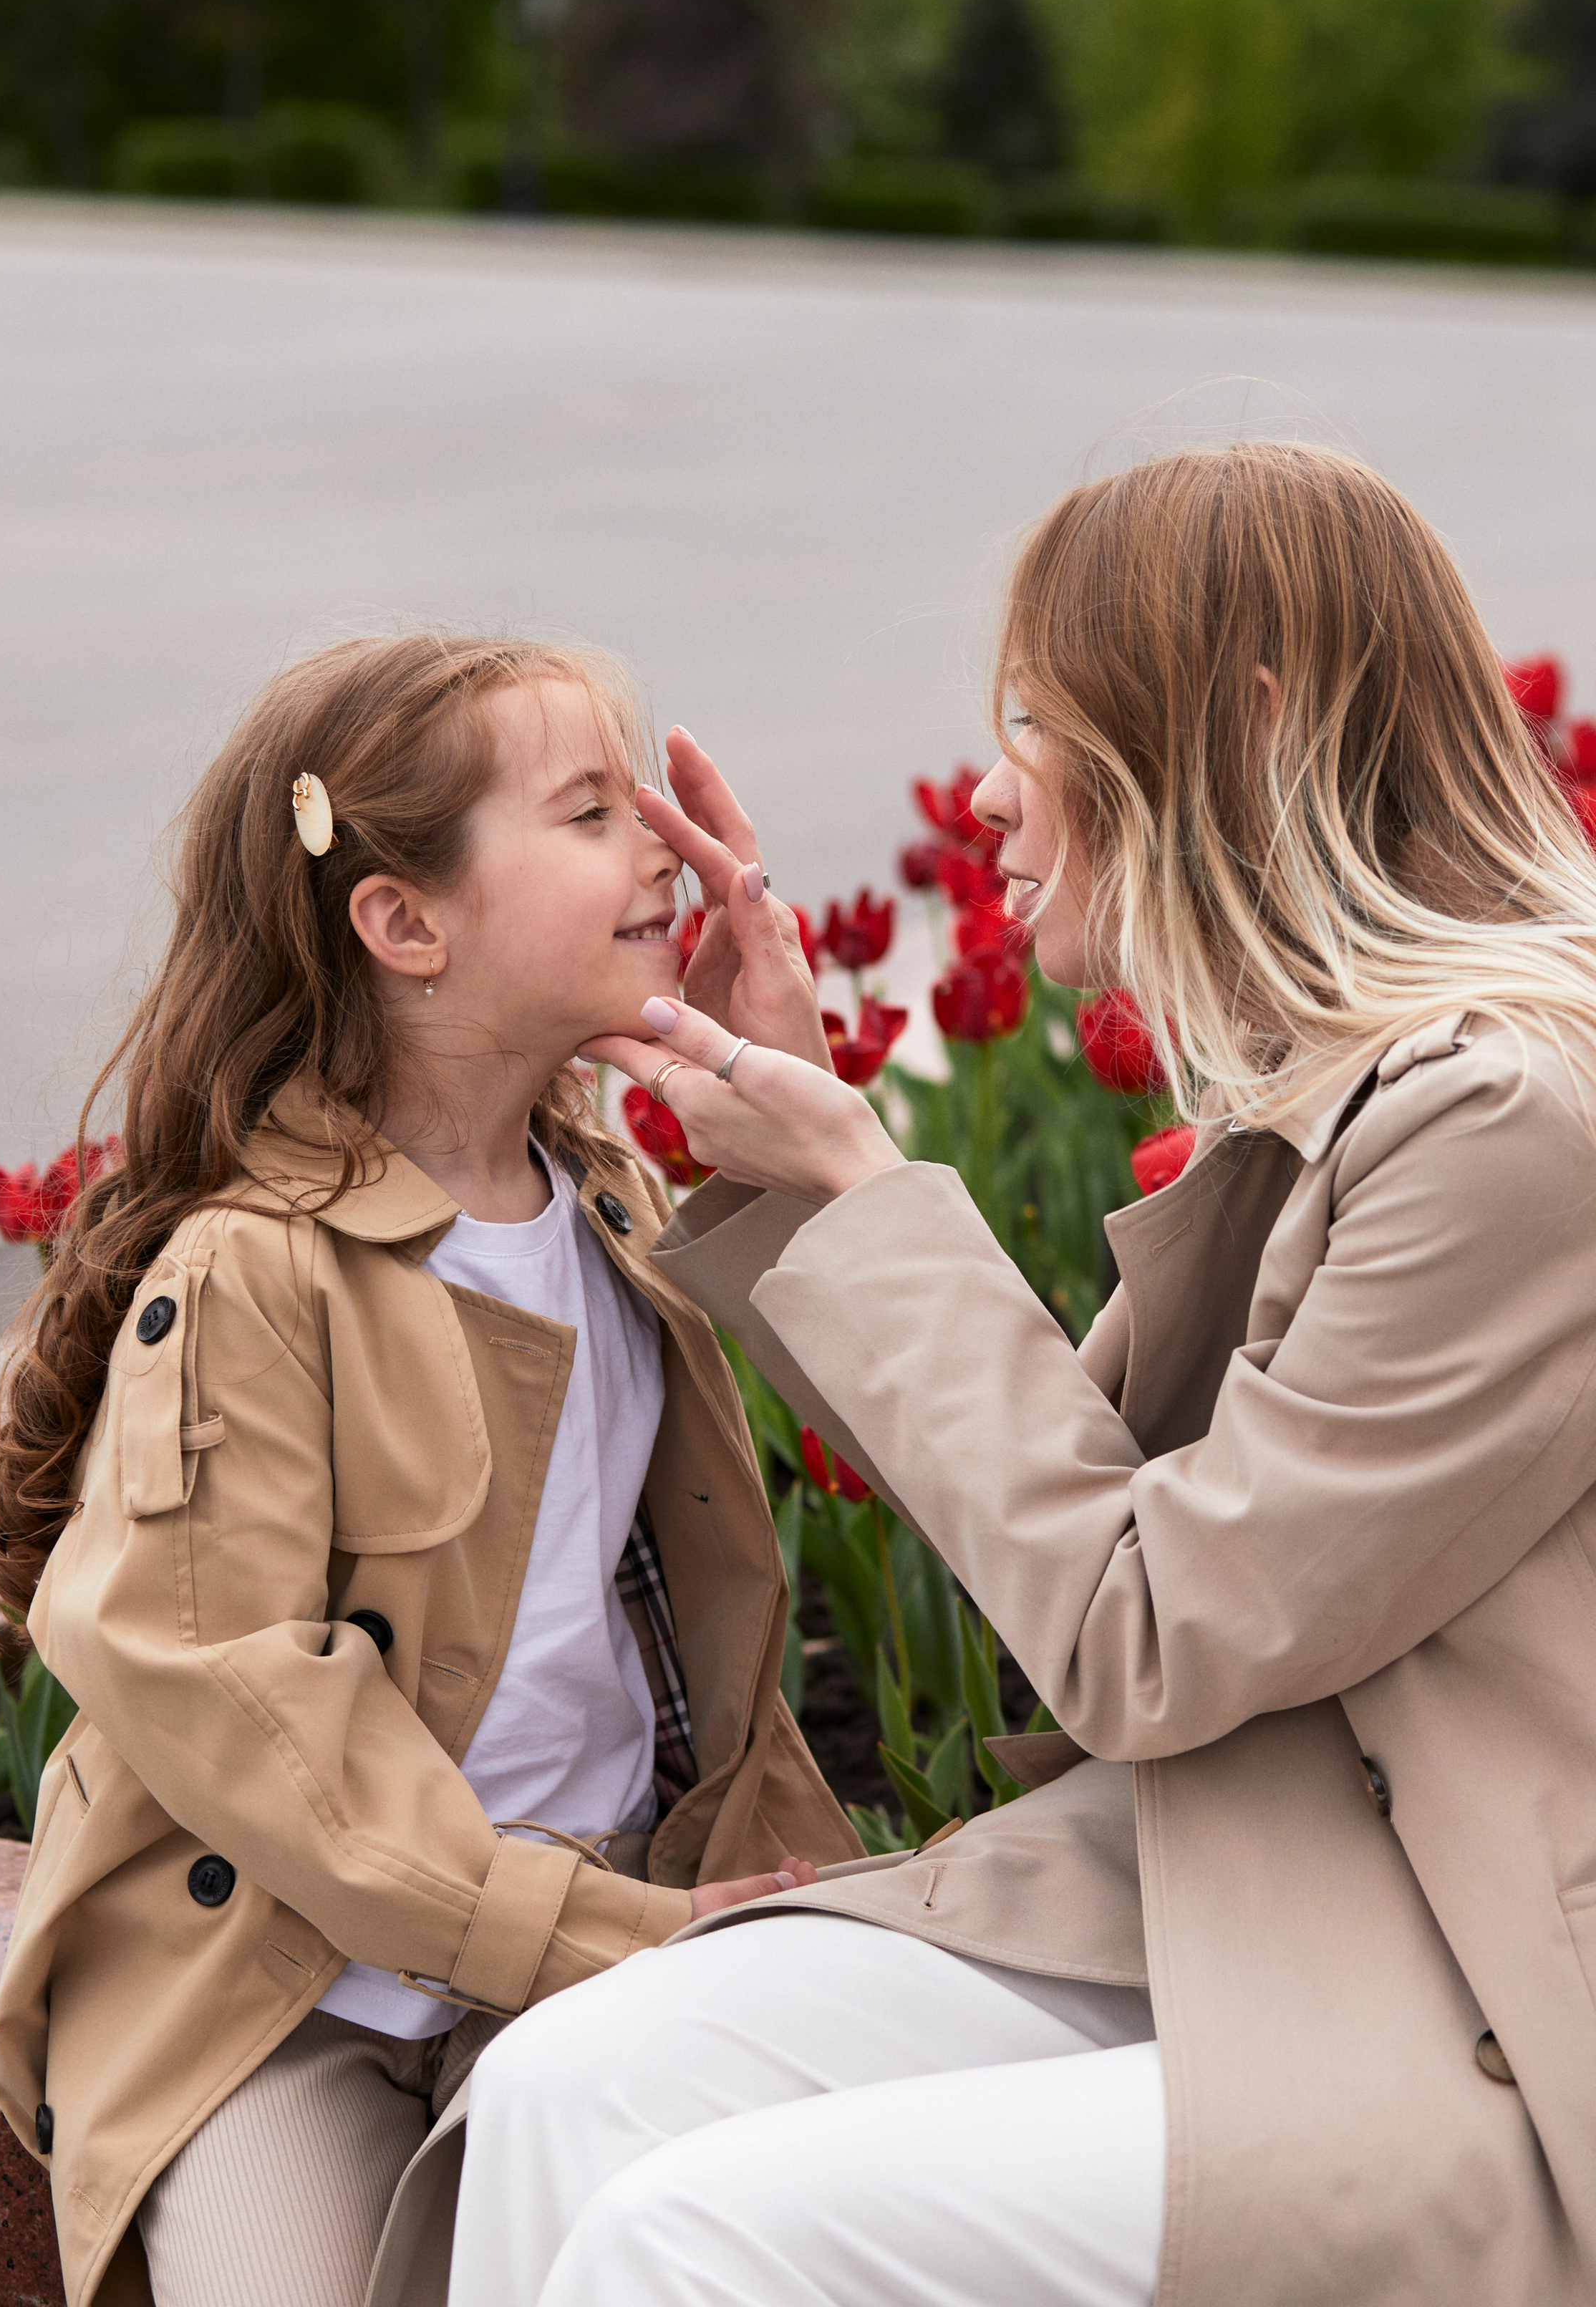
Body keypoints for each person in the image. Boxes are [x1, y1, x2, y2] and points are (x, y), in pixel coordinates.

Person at [448, 444, 1596, 2307]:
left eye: (1036, 725)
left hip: (1474, 2001)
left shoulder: (1510, 1123)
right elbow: (1099, 1558)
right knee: (565, 2087)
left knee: (693, 2237)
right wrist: (811, 1168)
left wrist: (867, 1191)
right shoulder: (1366, 1083)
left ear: (1239, 726)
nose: (988, 791)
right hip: (1258, 1895)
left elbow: (1145, 1631)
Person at [0, 632, 856, 2307]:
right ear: (403, 924)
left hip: (594, 1938)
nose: (667, 845)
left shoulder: (613, 1207)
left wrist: (787, 1103)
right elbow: (251, 1721)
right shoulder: (255, 1274)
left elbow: (926, 1446)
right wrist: (629, 1943)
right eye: (592, 810)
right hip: (288, 1990)